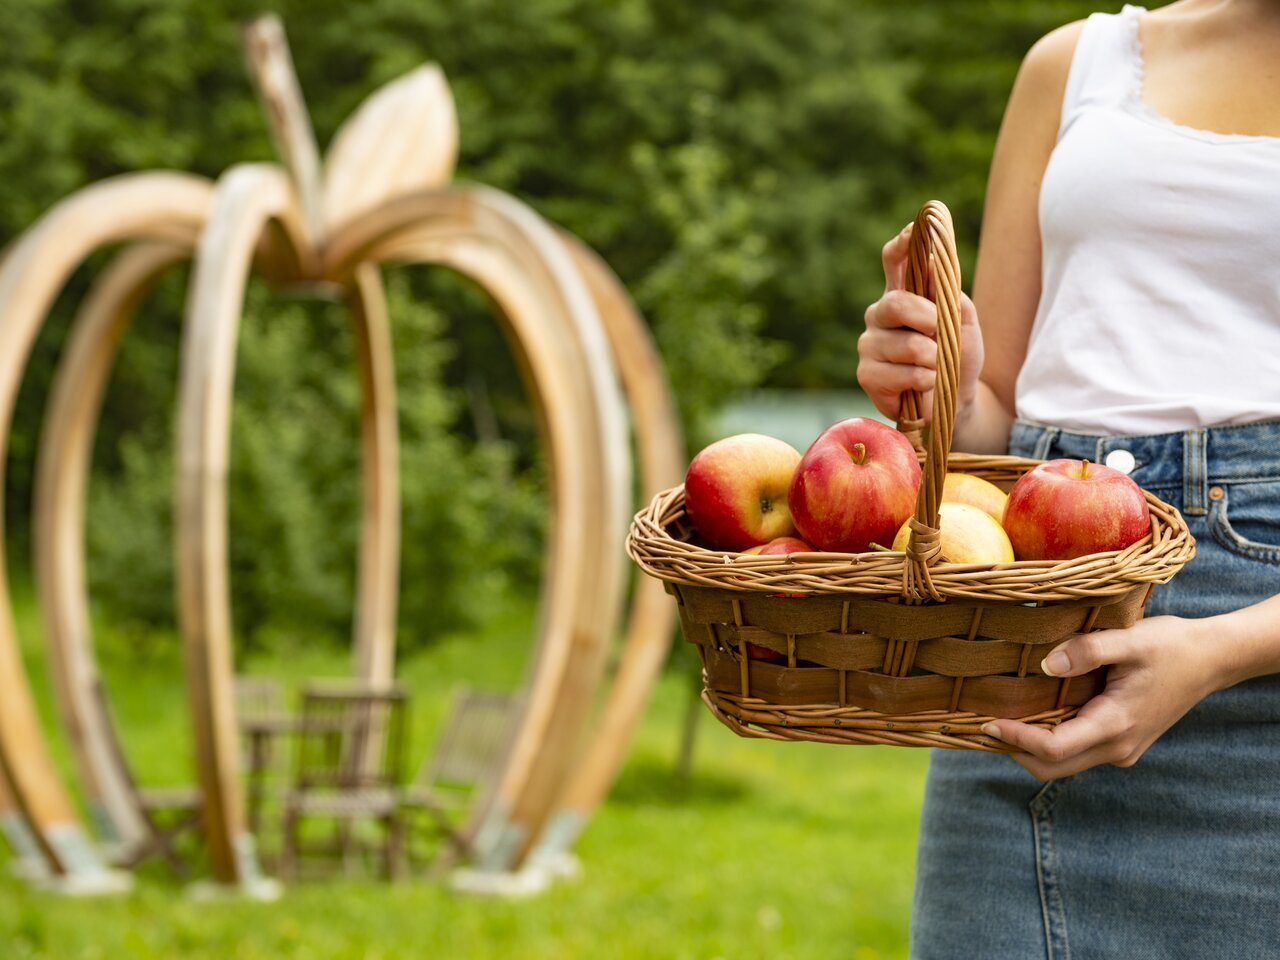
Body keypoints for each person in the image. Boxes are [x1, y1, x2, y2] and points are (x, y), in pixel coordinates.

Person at [856, 1, 1280, 956]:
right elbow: (992, 411)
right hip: (1026, 633)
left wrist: (1218, 653)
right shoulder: (1078, 62)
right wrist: (937, 382)